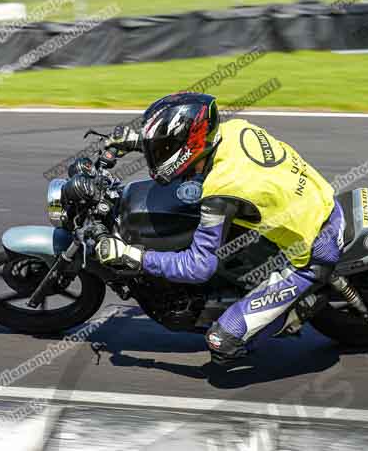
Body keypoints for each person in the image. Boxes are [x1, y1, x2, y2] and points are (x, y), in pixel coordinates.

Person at [95, 92, 345, 365]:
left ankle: (298, 310)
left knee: (221, 343)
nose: (159, 153)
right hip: (319, 200)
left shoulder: (220, 191)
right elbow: (189, 147)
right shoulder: (234, 129)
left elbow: (198, 267)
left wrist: (135, 257)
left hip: (314, 251)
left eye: (162, 148)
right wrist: (137, 142)